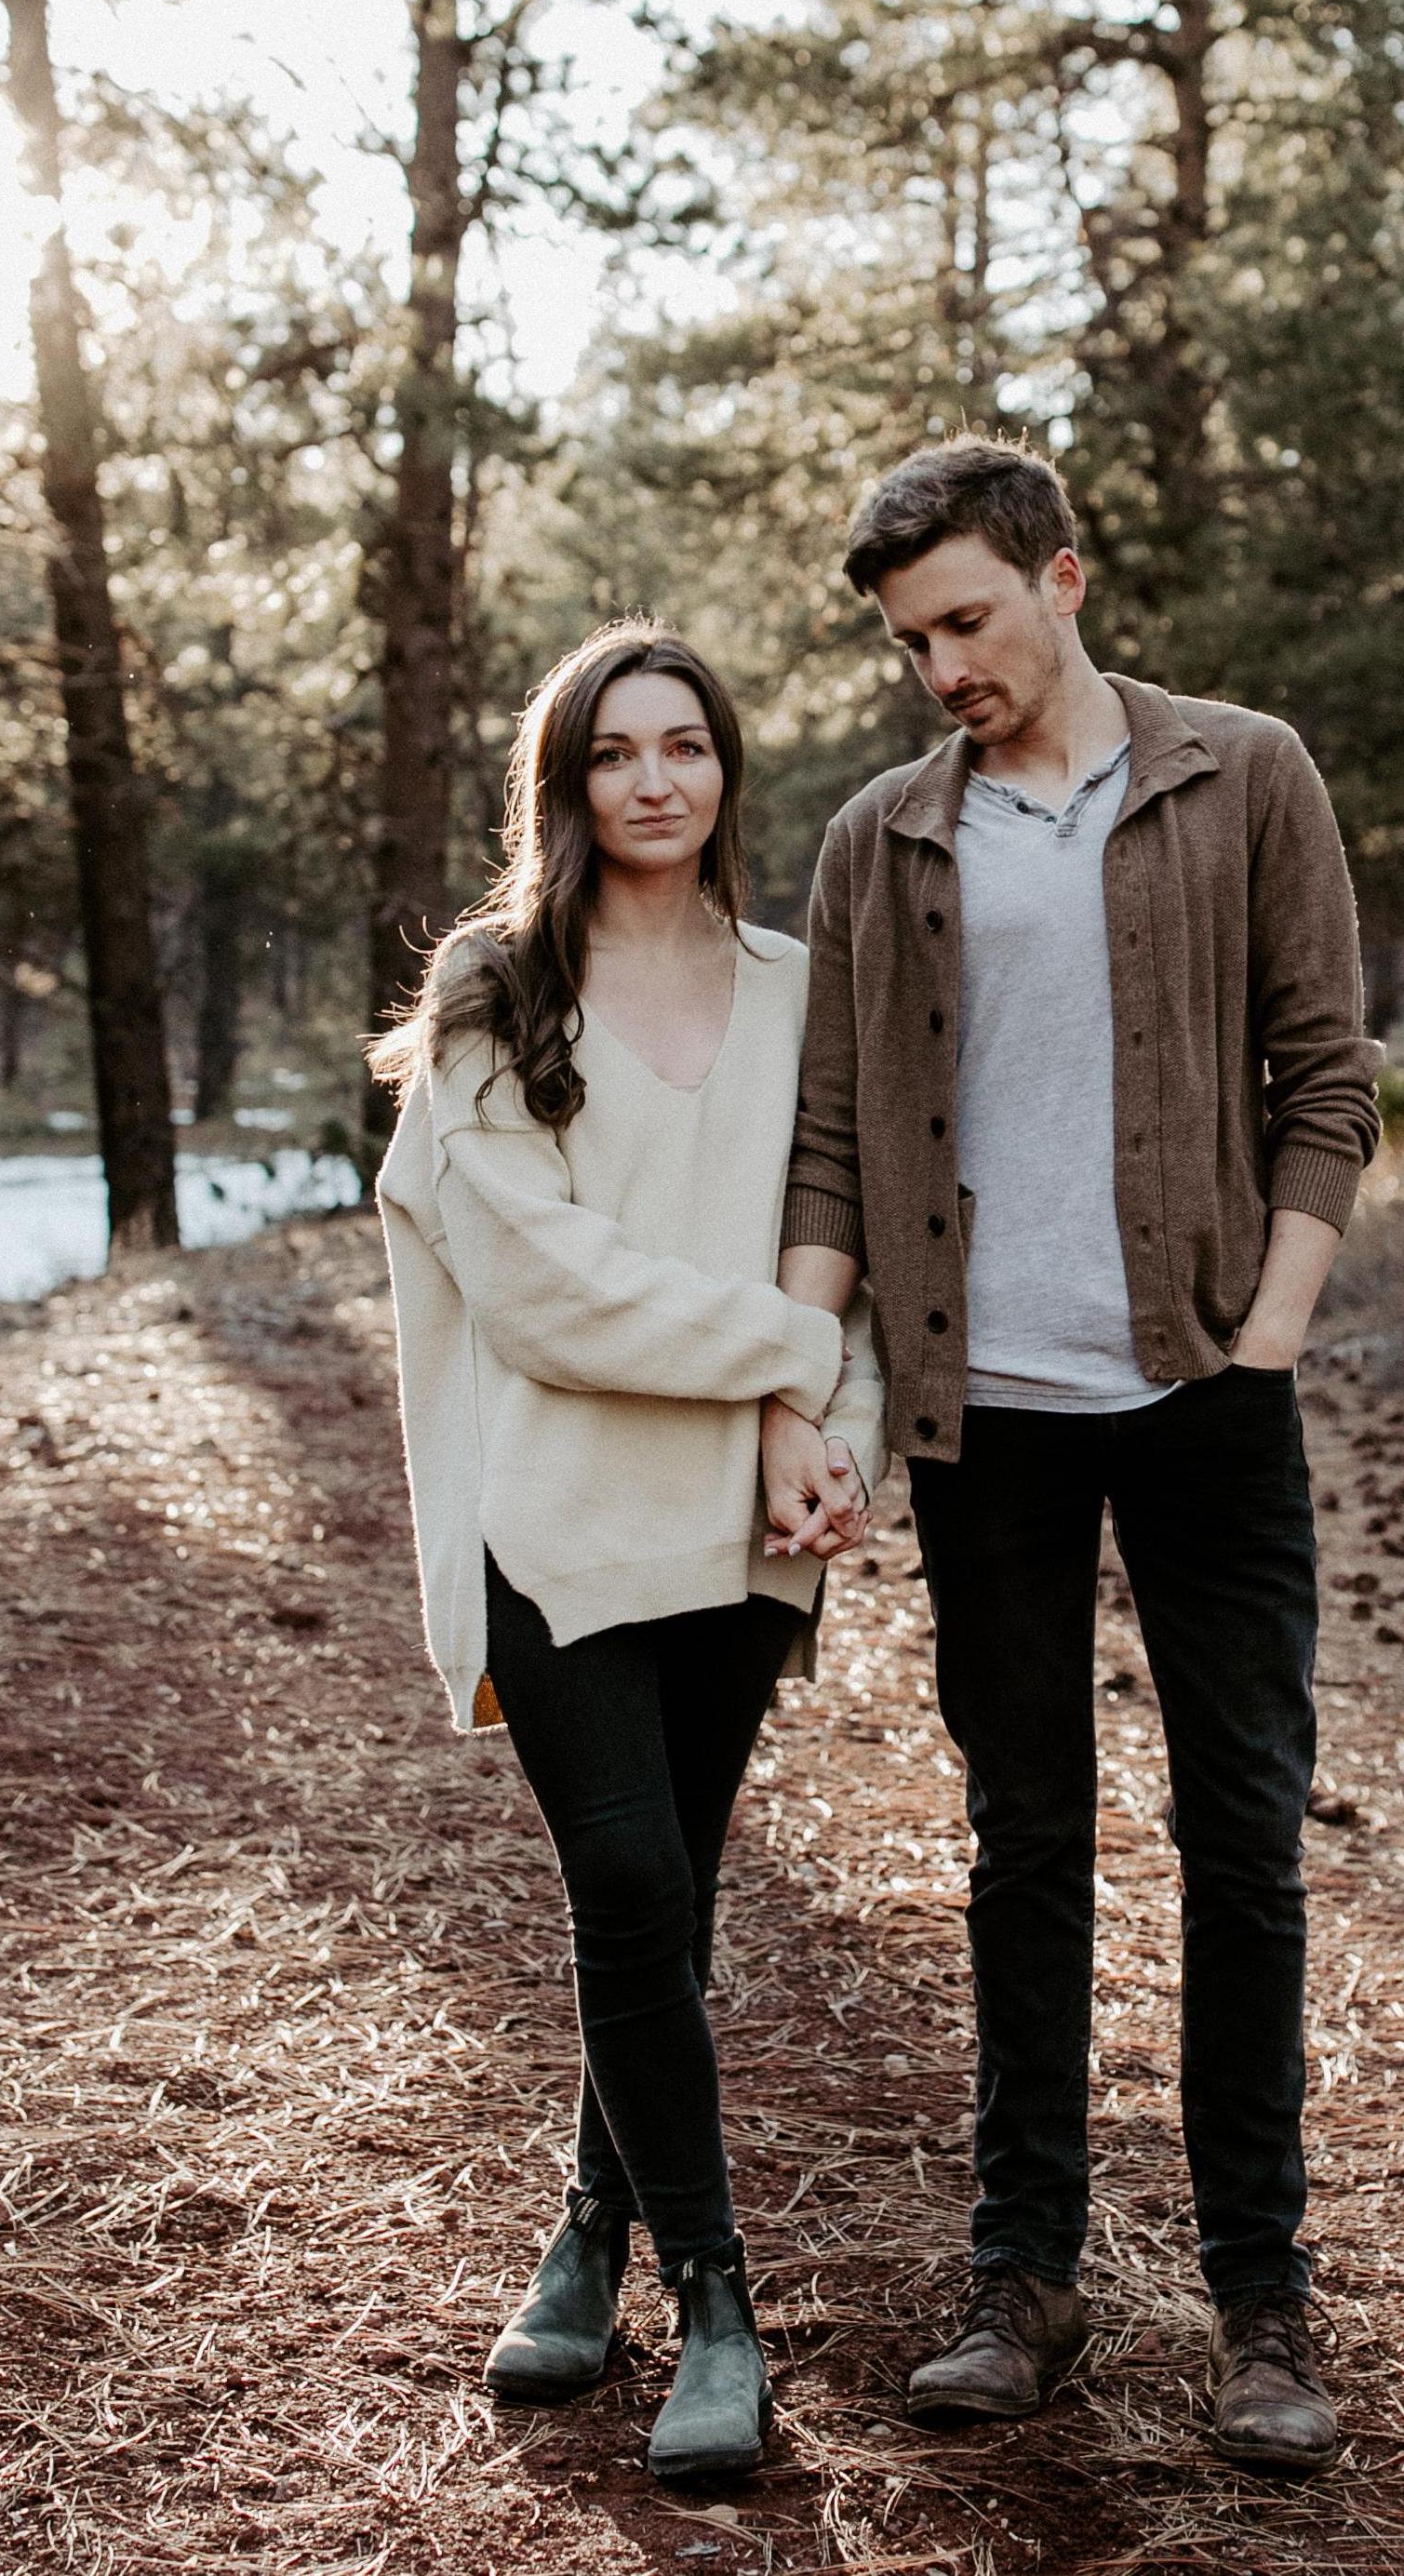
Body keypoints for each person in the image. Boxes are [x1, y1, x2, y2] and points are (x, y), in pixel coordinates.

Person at [763, 436, 1382, 2474]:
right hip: (985, 1418)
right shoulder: (884, 836)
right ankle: (1019, 2270)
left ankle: (1260, 2294)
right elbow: (836, 1134)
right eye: (905, 639)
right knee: (1024, 1838)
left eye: (964, 618)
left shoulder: (1240, 773)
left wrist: (1267, 1324)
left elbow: (1325, 1073)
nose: (939, 664)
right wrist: (798, 1382)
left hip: (1207, 1399)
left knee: (1242, 1840)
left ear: (1063, 579)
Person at [372, 621, 881, 2486]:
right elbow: (538, 1286)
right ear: (563, 781)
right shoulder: (494, 990)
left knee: (661, 1909)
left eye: (687, 745)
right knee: (625, 1877)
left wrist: (834, 1438)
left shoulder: (803, 987)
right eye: (614, 750)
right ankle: (718, 2307)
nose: (655, 778)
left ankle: (589, 2228)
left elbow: (858, 1240)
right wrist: (788, 1361)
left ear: (726, 772)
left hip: (740, 1527)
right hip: (560, 1514)